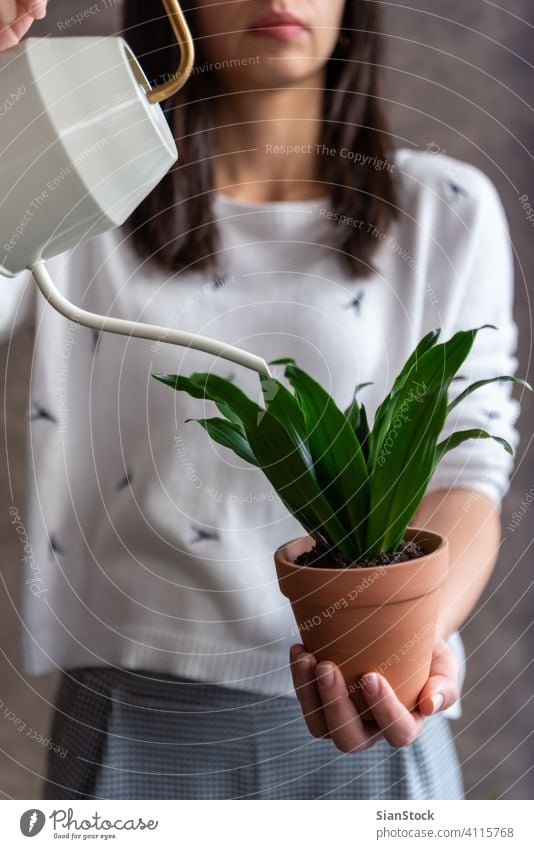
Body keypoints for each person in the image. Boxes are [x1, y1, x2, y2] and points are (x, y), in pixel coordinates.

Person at [0, 0, 520, 800]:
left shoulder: (447, 210)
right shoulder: (72, 191)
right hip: (133, 725)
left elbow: (470, 464)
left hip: (377, 724)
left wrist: (403, 634)